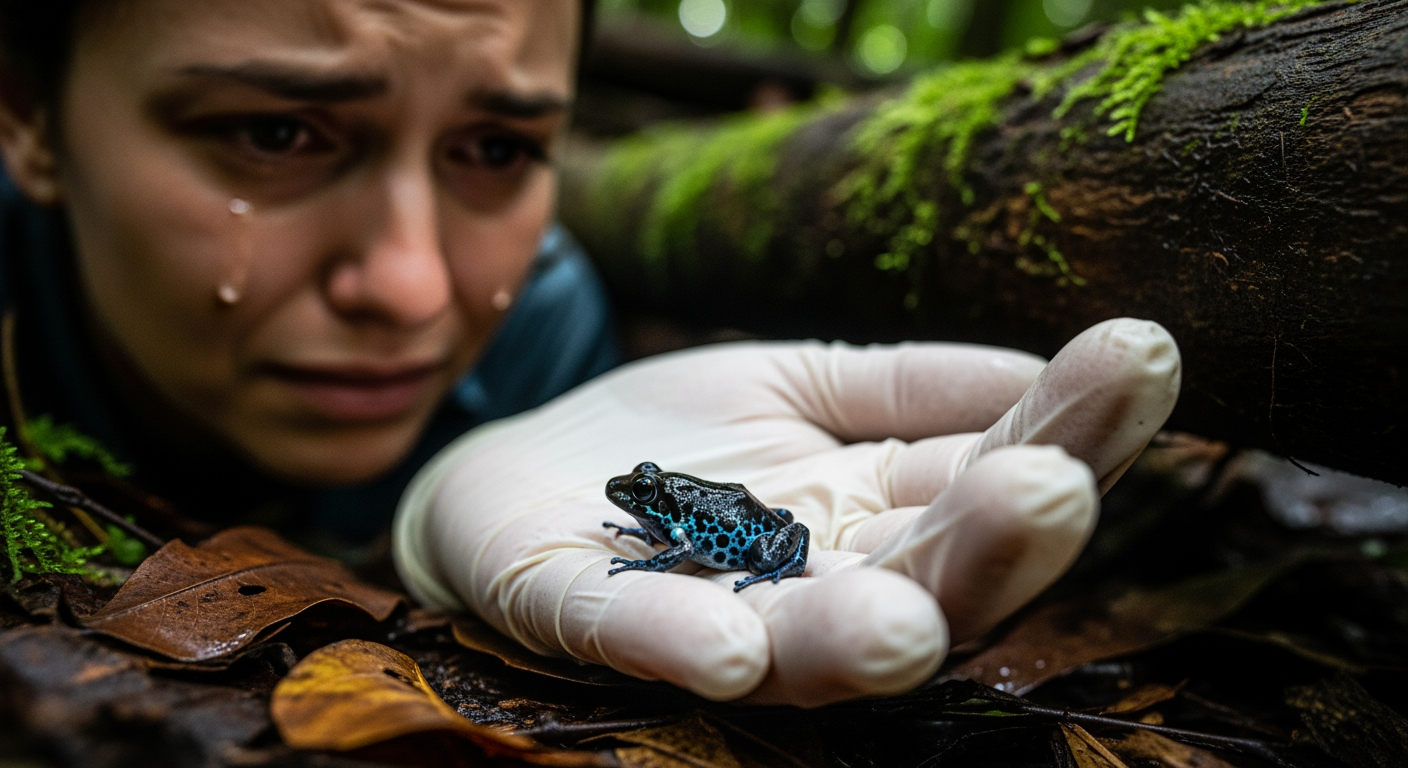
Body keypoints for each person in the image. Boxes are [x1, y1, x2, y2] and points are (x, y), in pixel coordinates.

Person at [0, 0, 1181, 708]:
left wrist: (433, 512)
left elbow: (671, 524)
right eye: (275, 133)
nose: (410, 285)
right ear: (30, 116)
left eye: (499, 146)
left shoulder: (544, 320)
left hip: (750, 535)